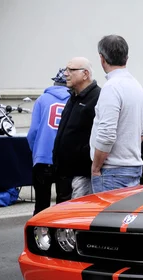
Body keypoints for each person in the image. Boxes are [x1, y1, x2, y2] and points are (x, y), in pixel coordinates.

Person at [90, 35, 143, 194]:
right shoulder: (137, 86)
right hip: (132, 166)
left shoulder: (111, 87)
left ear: (102, 59)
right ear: (126, 58)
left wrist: (95, 167)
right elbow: (142, 132)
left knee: (108, 218)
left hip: (112, 170)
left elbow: (107, 134)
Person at [53, 57, 101, 202]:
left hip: (81, 174)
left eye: (70, 70)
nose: (65, 74)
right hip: (63, 173)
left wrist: (83, 157)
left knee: (75, 217)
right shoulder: (73, 97)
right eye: (65, 69)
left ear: (85, 74)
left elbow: (101, 135)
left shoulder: (98, 97)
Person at [26, 68, 70, 214]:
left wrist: (36, 151)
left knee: (41, 204)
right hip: (64, 159)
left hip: (43, 158)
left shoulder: (42, 99)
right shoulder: (74, 100)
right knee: (63, 204)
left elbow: (33, 132)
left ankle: (37, 235)